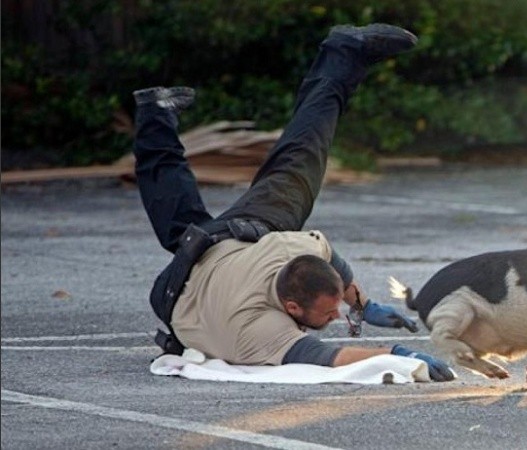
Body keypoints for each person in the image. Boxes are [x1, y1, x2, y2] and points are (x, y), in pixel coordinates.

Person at [132, 24, 455, 382]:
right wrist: (398, 356)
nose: (336, 317)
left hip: (201, 268)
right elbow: (326, 356)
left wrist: (361, 305)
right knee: (299, 155)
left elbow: (328, 258)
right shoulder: (260, 329)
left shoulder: (287, 248)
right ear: (291, 308)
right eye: (329, 313)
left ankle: (155, 112)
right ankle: (344, 49)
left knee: (295, 157)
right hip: (188, 277)